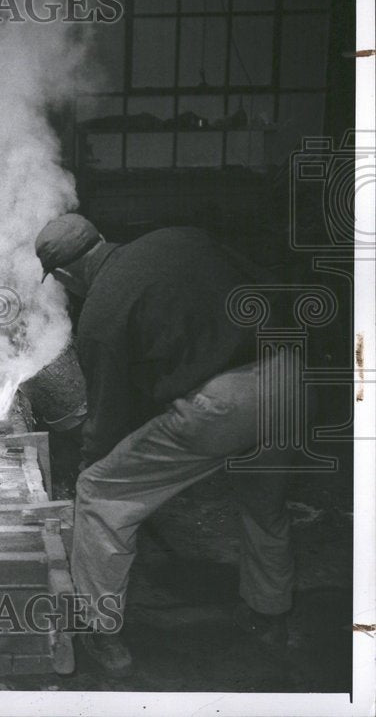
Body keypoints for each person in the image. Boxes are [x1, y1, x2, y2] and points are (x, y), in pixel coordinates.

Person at [34, 214, 294, 677]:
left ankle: (102, 631)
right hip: (290, 375)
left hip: (223, 404)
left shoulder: (100, 310)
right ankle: (269, 615)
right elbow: (266, 283)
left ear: (66, 275)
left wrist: (93, 464)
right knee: (265, 505)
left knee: (100, 493)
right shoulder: (183, 236)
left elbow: (108, 417)